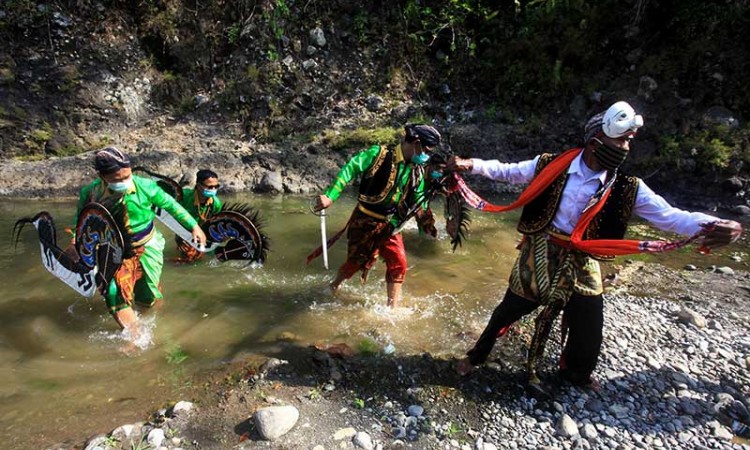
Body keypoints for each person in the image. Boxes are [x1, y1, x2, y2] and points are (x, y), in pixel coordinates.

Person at [447, 101, 742, 391]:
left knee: (589, 325)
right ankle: (477, 357)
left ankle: (575, 374)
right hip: (542, 247)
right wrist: (470, 165)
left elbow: (671, 217)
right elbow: (509, 171)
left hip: (583, 257)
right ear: (595, 141)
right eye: (621, 141)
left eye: (629, 142)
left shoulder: (627, 188)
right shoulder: (551, 164)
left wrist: (713, 225)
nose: (626, 148)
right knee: (510, 309)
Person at [76, 147, 207, 335]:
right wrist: (75, 242)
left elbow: (171, 205)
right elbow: (81, 220)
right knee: (113, 291)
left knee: (148, 294)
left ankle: (160, 322)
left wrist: (194, 226)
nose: (124, 182)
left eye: (127, 176)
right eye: (118, 179)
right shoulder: (91, 193)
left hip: (147, 245)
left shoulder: (146, 187)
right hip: (113, 249)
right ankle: (134, 336)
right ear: (103, 177)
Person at [311, 124, 442, 308]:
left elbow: (419, 200)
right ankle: (333, 286)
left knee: (399, 263)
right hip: (365, 220)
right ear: (416, 143)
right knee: (356, 263)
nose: (426, 156)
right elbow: (351, 168)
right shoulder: (379, 155)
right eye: (426, 151)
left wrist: (426, 225)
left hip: (392, 224)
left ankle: (392, 309)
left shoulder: (417, 170)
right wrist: (331, 196)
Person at [175, 169, 223, 263]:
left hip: (203, 234)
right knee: (187, 260)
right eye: (209, 187)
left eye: (216, 186)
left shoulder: (216, 204)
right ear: (199, 185)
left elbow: (215, 224)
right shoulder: (183, 196)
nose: (213, 190)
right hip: (183, 233)